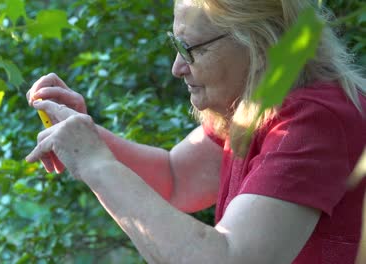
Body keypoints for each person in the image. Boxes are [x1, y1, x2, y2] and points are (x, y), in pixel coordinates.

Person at [25, 0, 366, 263]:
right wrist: (88, 137)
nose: (177, 67)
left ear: (259, 45)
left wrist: (97, 164)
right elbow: (176, 179)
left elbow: (230, 259)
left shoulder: (315, 120)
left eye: (190, 48)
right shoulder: (267, 93)